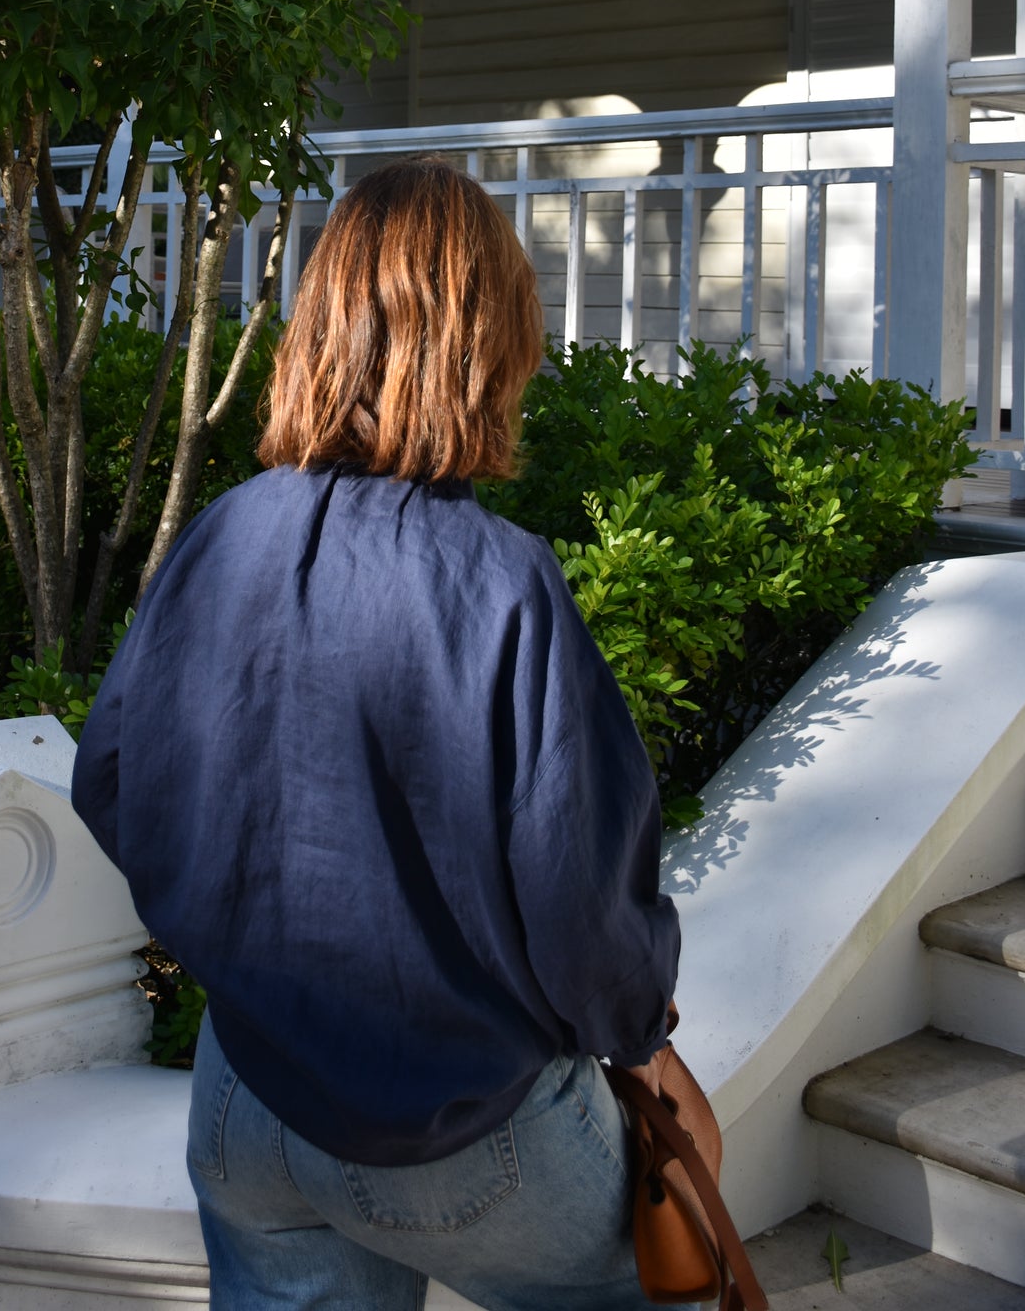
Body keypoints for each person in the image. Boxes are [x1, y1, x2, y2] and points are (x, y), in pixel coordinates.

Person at [73, 156, 681, 1310]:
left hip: (245, 1095)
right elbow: (578, 898)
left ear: (322, 325)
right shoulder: (501, 583)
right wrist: (637, 1024)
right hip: (457, 1123)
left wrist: (237, 939)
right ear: (487, 335)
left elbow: (110, 781)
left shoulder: (221, 536)